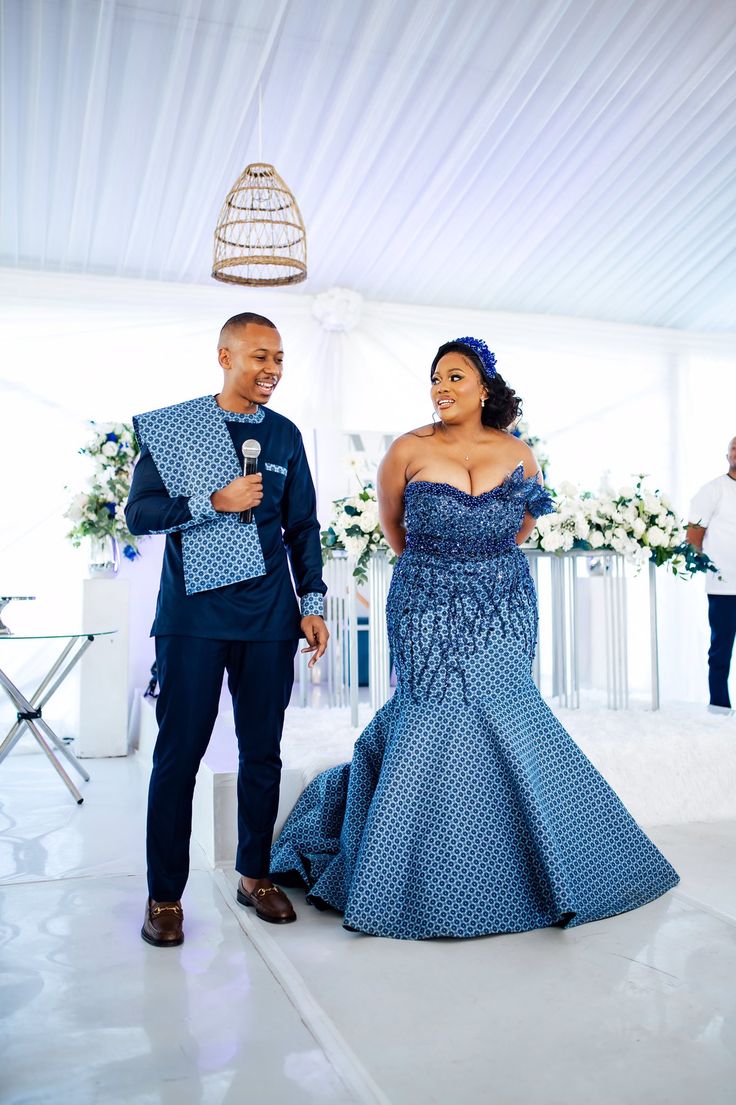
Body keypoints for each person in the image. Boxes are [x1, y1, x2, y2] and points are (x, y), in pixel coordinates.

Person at [270, 336, 679, 940]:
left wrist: (483, 573)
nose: (442, 388)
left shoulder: (519, 453)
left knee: (506, 718)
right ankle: (413, 883)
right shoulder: (406, 450)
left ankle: (530, 875)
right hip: (426, 603)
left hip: (504, 604)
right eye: (435, 378)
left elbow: (522, 527)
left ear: (484, 387)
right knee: (434, 718)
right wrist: (441, 579)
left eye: (455, 377)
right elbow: (393, 529)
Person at [126, 312, 329, 947]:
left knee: (261, 752)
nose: (271, 370)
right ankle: (165, 897)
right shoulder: (176, 429)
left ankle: (255, 875)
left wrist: (313, 601)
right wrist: (209, 503)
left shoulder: (286, 435)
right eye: (259, 357)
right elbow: (139, 515)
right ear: (225, 356)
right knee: (178, 756)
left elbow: (303, 528)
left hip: (269, 618)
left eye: (279, 360)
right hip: (192, 617)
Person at [687, 437, 736, 715]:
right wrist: (700, 561)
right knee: (720, 651)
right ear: (726, 454)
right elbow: (694, 533)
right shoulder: (713, 490)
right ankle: (719, 709)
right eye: (734, 447)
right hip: (724, 586)